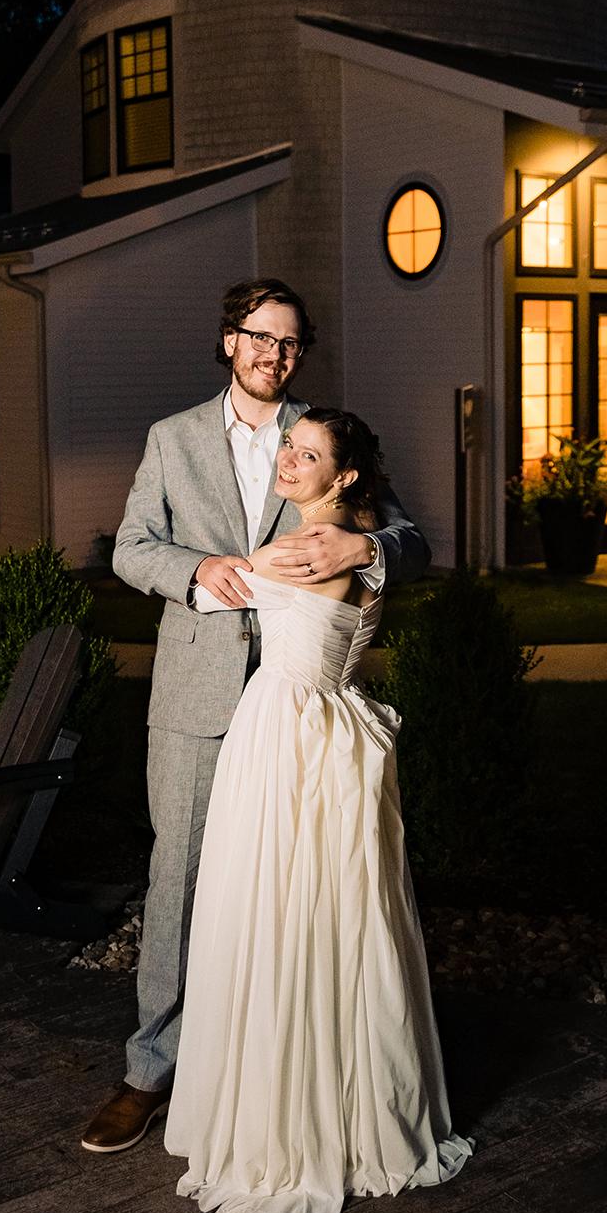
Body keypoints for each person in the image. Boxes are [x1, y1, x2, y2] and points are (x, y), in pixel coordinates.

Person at [80, 279, 430, 1154]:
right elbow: (128, 546)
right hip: (198, 696)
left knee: (292, 888)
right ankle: (149, 1071)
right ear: (229, 340)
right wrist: (196, 572)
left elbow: (412, 540)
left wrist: (368, 547)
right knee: (184, 878)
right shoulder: (173, 438)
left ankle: (262, 1068)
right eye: (258, 338)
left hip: (299, 709)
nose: (273, 355)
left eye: (289, 343)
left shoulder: (325, 436)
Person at [164, 408, 472, 1213]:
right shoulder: (347, 534)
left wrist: (214, 567)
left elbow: (222, 589)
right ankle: (329, 1097)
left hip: (291, 737)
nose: (289, 461)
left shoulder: (306, 548)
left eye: (310, 455)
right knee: (322, 913)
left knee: (287, 913)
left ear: (344, 478)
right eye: (289, 448)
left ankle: (292, 1122)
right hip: (313, 726)